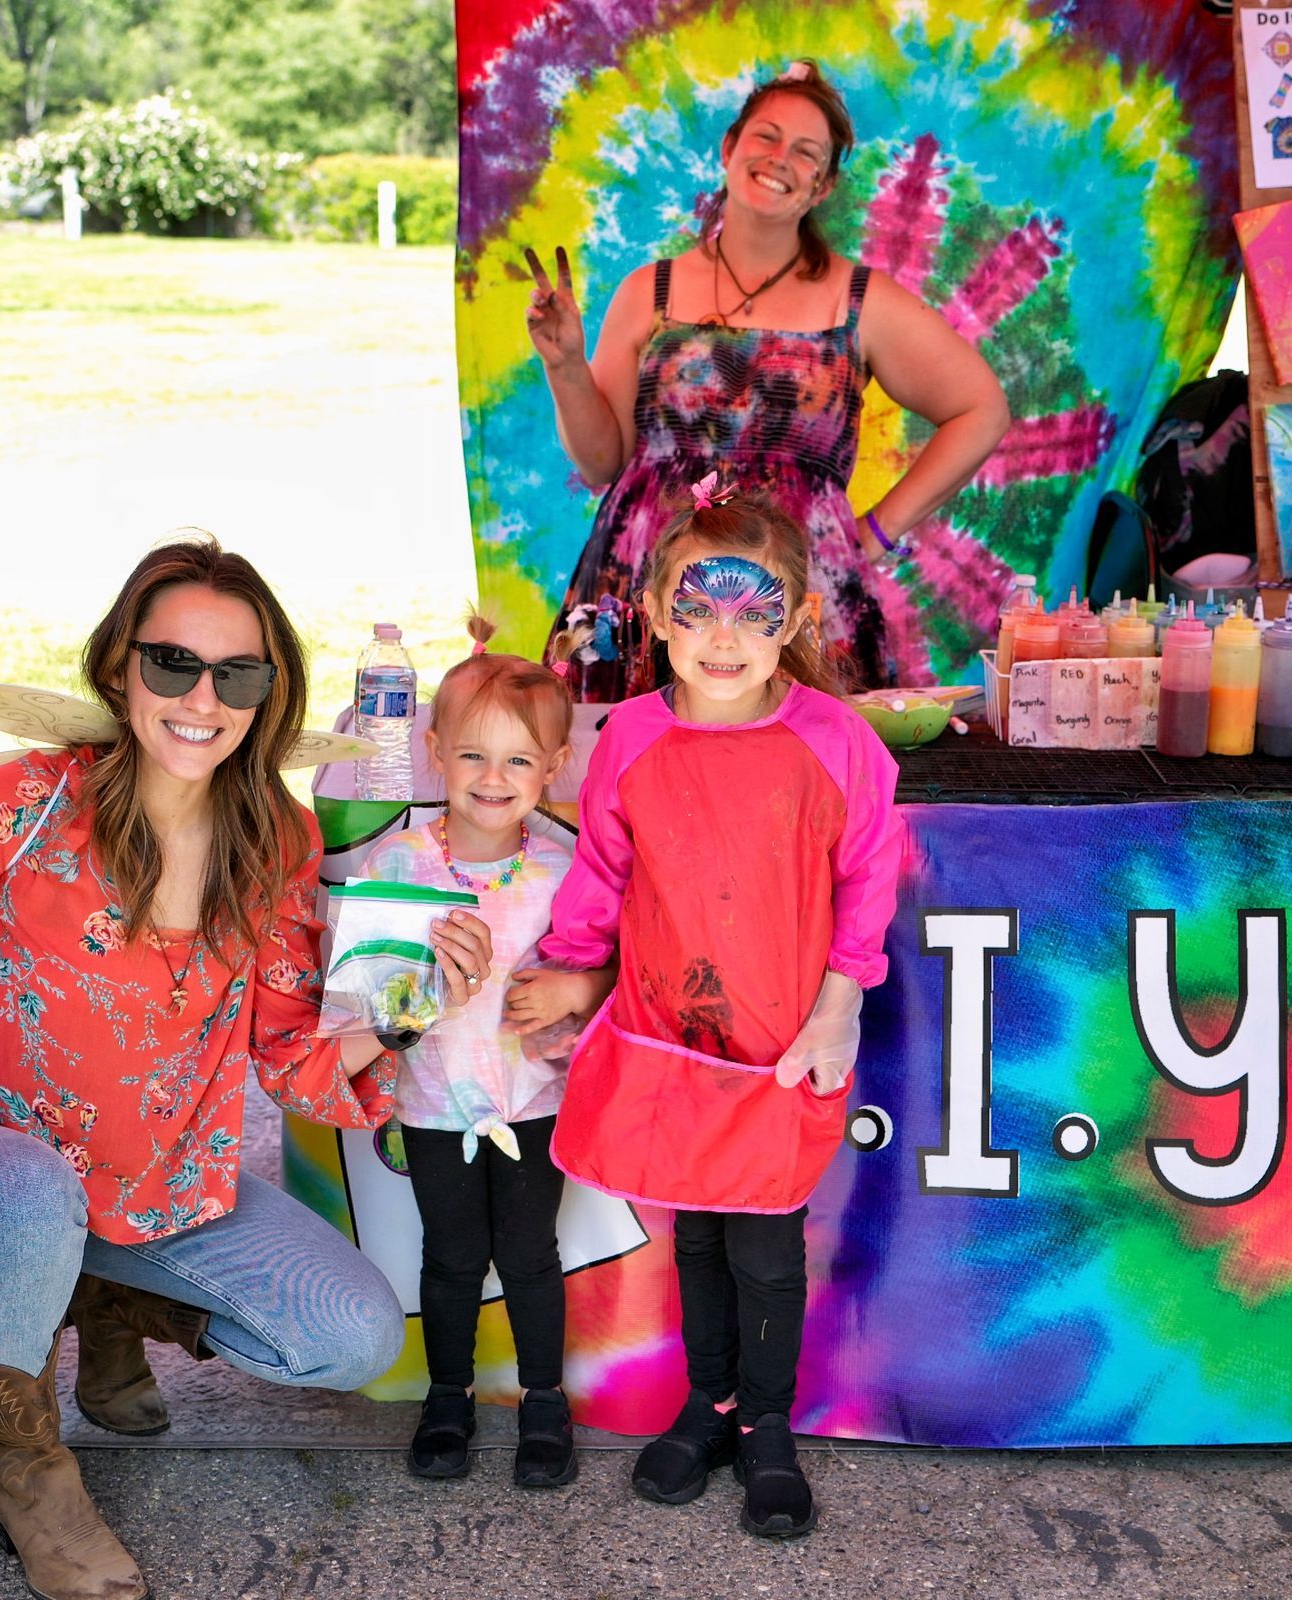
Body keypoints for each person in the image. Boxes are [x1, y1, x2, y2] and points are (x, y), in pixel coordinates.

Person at [0, 536, 495, 1600]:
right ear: (118, 669)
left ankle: (98, 1295)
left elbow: (288, 1055)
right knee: (27, 1194)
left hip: (151, 1195)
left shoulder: (273, 839)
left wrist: (412, 1010)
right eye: (173, 663)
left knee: (351, 1336)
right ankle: (24, 1464)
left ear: (270, 696)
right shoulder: (18, 805)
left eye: (239, 673)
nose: (203, 697)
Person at [506, 485, 903, 1539]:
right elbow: (601, 873)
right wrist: (570, 974)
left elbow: (868, 879)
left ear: (799, 619)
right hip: (666, 1035)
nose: (723, 635)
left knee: (765, 1247)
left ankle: (768, 1424)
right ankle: (710, 1403)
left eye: (753, 610)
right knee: (692, 1236)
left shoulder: (840, 744)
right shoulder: (629, 737)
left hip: (781, 1043)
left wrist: (838, 1009)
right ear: (653, 610)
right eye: (699, 608)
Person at [524, 58, 1010, 692]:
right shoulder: (650, 290)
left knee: (800, 780)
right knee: (635, 774)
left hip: (798, 602)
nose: (780, 158)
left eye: (807, 152)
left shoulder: (860, 301)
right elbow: (599, 463)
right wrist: (564, 366)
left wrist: (875, 532)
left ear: (825, 185)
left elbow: (982, 409)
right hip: (651, 596)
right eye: (767, 136)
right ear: (730, 148)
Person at [356, 619, 579, 1487]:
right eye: (475, 757)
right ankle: (446, 1394)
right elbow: (372, 1004)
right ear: (435, 750)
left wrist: (569, 992)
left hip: (535, 1101)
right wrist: (427, 992)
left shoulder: (566, 868)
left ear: (553, 768)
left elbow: (603, 970)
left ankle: (544, 1399)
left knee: (530, 1256)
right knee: (450, 1256)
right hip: (436, 1104)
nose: (495, 780)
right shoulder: (398, 859)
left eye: (520, 761)